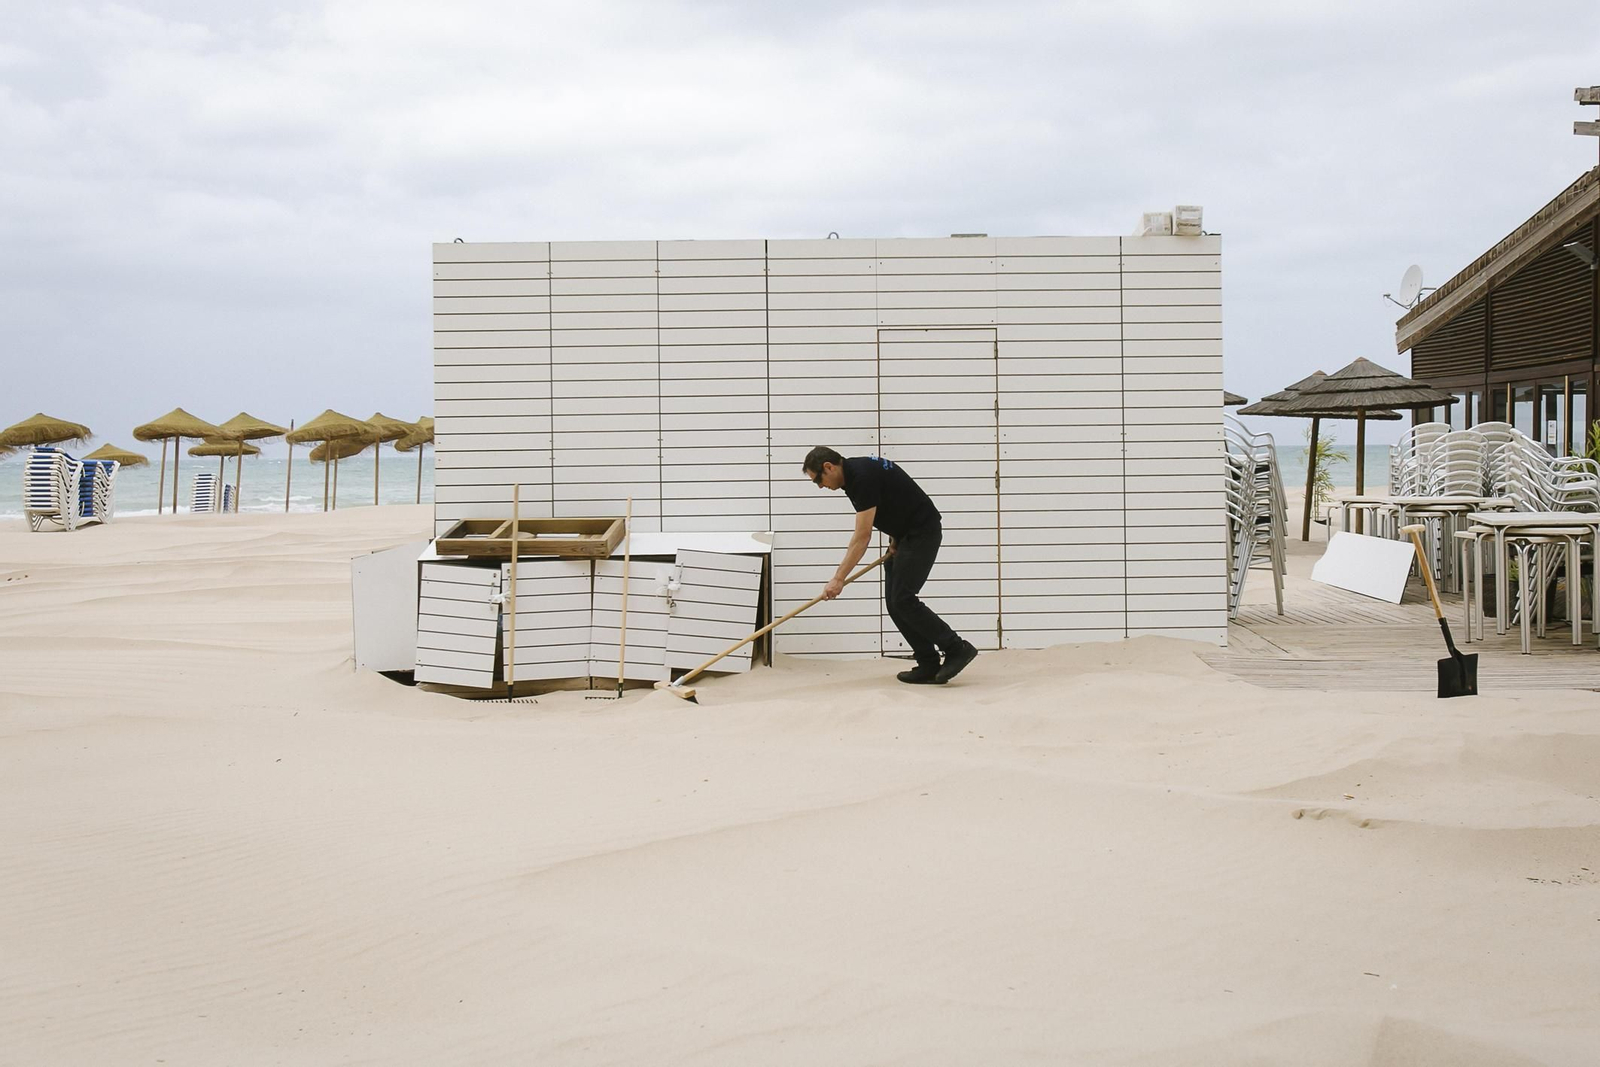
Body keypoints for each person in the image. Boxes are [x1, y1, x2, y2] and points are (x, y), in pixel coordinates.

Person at [801, 446, 978, 685]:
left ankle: (957, 648)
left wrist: (838, 579)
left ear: (828, 467)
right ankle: (927, 663)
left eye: (818, 481)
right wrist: (895, 537)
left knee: (903, 598)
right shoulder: (853, 476)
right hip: (905, 535)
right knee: (895, 604)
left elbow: (862, 536)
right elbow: (894, 499)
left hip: (922, 532)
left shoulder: (861, 477)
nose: (820, 487)